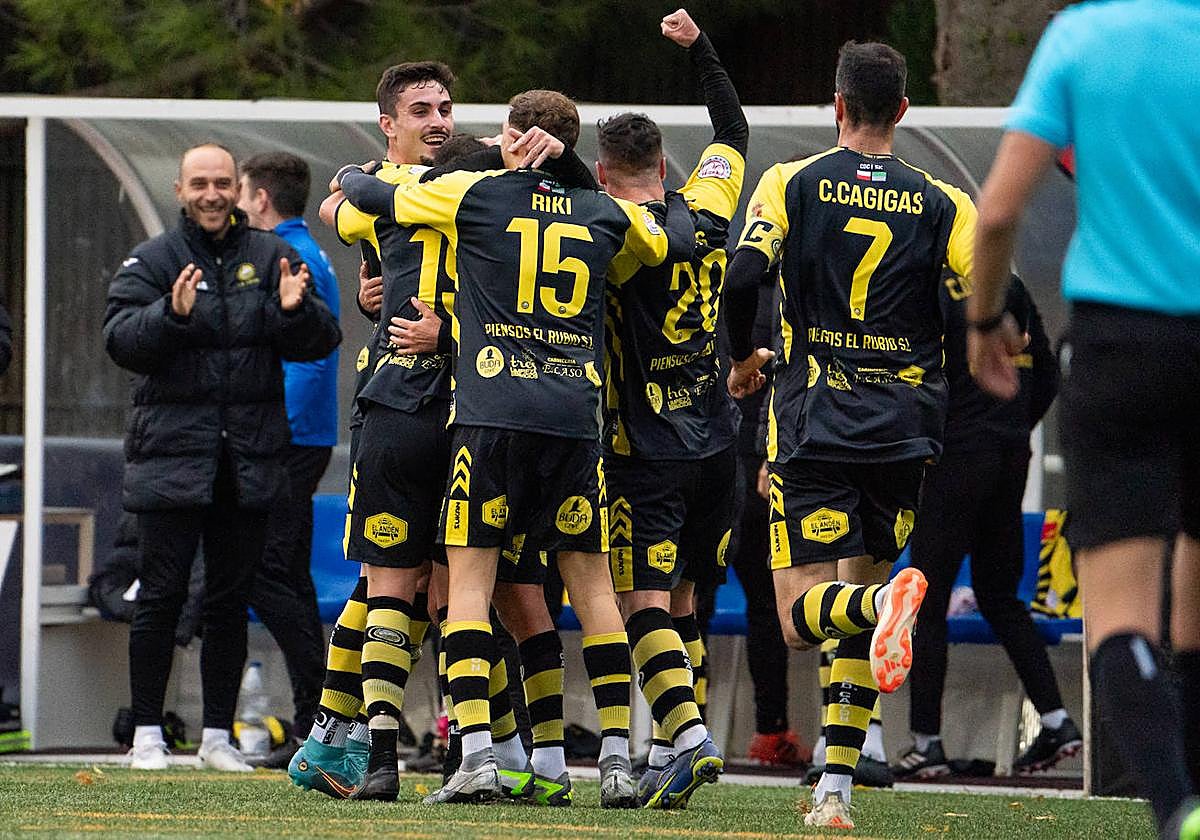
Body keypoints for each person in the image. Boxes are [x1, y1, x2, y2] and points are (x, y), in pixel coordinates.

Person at [335, 88, 695, 805]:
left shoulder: (475, 195)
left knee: (466, 591)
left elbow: (376, 197)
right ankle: (617, 762)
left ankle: (474, 755)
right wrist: (580, 185)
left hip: (490, 414)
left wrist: (347, 179)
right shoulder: (604, 212)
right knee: (593, 593)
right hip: (574, 422)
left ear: (509, 135)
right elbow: (667, 239)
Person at [723, 42, 976, 828]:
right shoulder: (945, 203)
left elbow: (741, 277)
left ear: (838, 105)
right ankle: (833, 791)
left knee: (802, 616)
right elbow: (974, 311)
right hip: (903, 426)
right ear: (902, 110)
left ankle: (876, 620)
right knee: (863, 598)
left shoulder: (790, 182)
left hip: (816, 418)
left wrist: (742, 362)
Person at [968, 3, 1200, 835]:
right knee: (1194, 615)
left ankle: (1179, 809)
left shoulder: (1082, 37)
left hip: (1123, 342)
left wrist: (983, 321)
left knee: (1124, 617)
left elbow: (997, 213)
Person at [103, 142, 341, 772]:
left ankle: (217, 737)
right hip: (170, 461)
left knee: (229, 602)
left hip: (249, 461)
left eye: (221, 182)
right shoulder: (153, 260)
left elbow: (322, 337)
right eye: (198, 183)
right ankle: (147, 734)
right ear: (181, 192)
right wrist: (170, 317)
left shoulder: (273, 256)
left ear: (240, 189)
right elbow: (120, 339)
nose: (211, 194)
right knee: (160, 596)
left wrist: (293, 312)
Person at [599, 8, 745, 808]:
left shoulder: (614, 231)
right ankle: (664, 752)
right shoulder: (715, 205)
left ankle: (688, 737)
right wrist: (701, 52)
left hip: (645, 447)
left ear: (603, 174)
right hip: (718, 441)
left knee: (640, 605)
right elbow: (733, 124)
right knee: (685, 600)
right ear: (664, 163)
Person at [894, 269, 1080, 779]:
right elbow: (1046, 371)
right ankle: (1058, 719)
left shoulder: (929, 282)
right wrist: (1015, 425)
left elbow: (913, 371)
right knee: (1000, 597)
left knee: (925, 598)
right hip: (1008, 453)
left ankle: (926, 742)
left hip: (956, 456)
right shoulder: (1012, 284)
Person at [236, 151, 339, 764]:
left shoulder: (286, 255)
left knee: (268, 573)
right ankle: (314, 722)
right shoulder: (306, 248)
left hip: (291, 437)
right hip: (302, 434)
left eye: (242, 193)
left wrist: (272, 428)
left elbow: (308, 355)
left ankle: (320, 715)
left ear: (261, 199)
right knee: (288, 578)